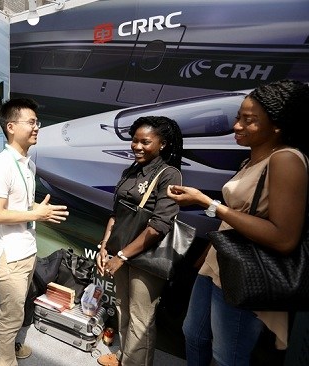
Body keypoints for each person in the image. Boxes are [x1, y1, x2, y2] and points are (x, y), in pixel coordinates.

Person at [166, 79, 309, 365]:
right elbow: (238, 215)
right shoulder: (254, 159)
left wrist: (208, 204)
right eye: (238, 118)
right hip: (219, 263)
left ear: (277, 126)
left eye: (249, 120)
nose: (236, 126)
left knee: (227, 356)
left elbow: (284, 238)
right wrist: (208, 255)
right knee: (193, 335)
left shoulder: (286, 160)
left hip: (248, 271)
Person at [0, 98, 70, 366]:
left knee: (18, 309)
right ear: (11, 127)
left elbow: (18, 205)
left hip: (27, 249)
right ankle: (4, 361)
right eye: (31, 122)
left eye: (37, 122)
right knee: (9, 315)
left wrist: (39, 210)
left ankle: (9, 348)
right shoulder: (2, 165)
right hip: (10, 257)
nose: (36, 127)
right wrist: (36, 214)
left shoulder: (28, 164)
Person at [95, 116, 184, 366]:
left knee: (140, 317)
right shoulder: (131, 170)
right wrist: (104, 247)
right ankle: (125, 356)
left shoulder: (169, 174)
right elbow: (116, 213)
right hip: (120, 252)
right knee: (123, 307)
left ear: (163, 144)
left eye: (145, 142)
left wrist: (122, 257)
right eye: (134, 141)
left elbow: (159, 226)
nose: (137, 146)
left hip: (146, 258)